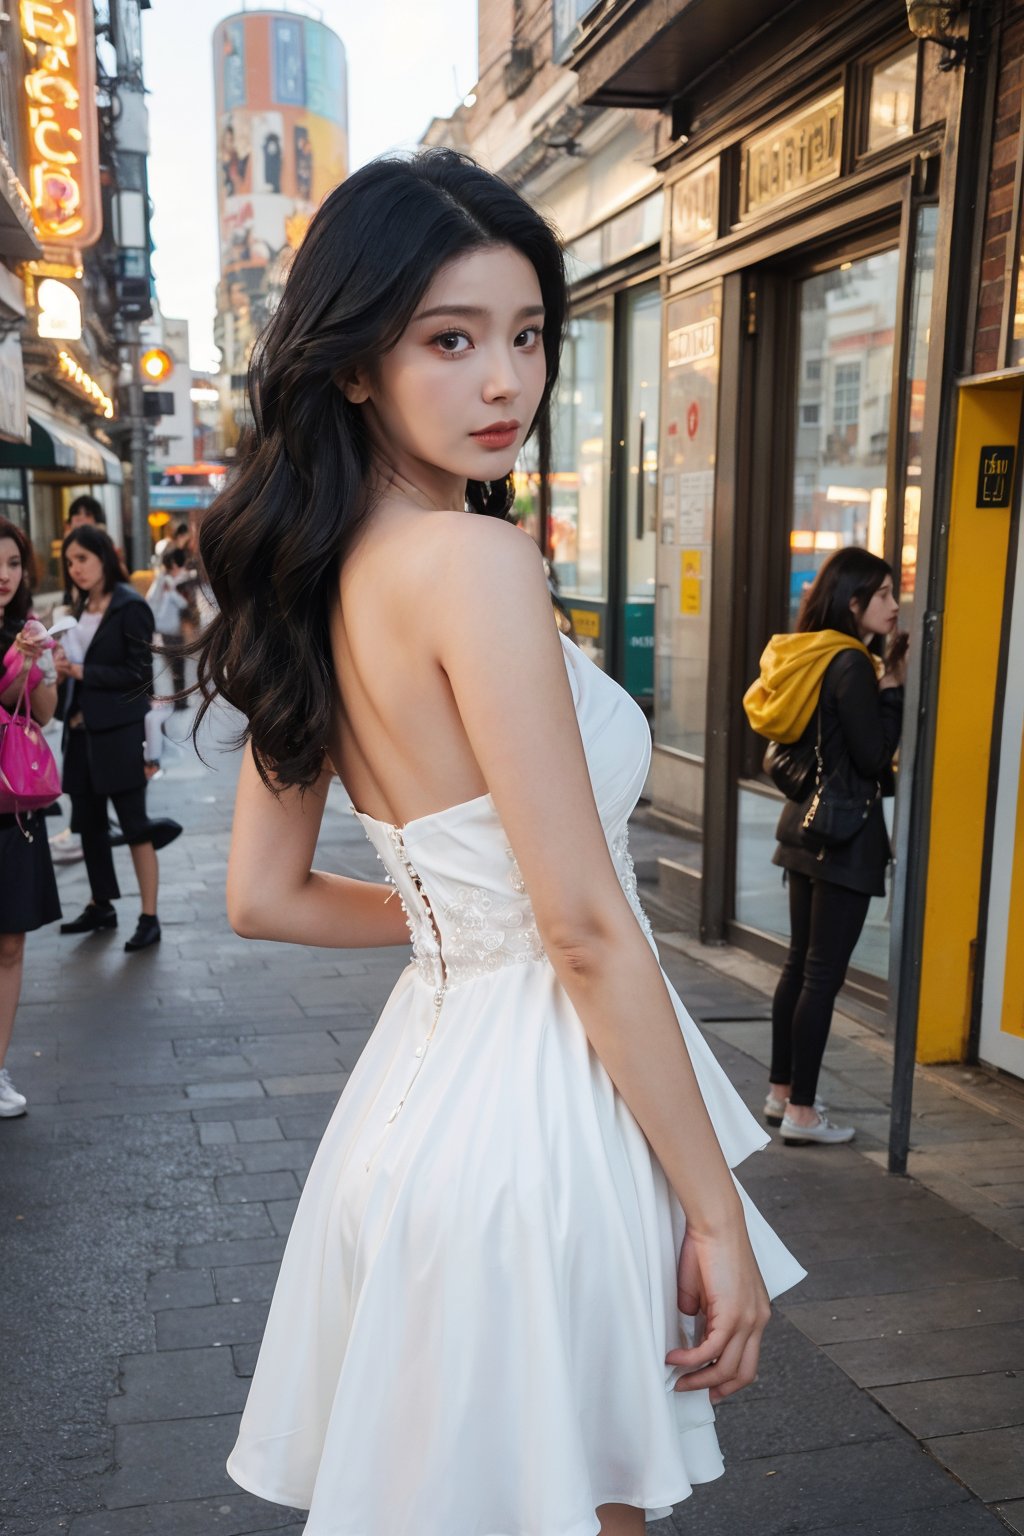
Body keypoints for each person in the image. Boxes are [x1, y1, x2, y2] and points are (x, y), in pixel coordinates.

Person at [193, 149, 803, 1536]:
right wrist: (716, 1212)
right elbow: (584, 925)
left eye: (526, 337)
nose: (503, 384)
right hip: (541, 1131)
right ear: (353, 363)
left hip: (416, 1113)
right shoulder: (474, 563)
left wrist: (459, 921)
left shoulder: (316, 576)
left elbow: (262, 898)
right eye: (449, 340)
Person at [744, 547, 906, 1147]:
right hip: (845, 838)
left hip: (803, 829)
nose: (894, 605)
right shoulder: (852, 665)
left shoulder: (807, 656)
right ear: (855, 602)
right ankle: (803, 1114)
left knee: (799, 968)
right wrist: (891, 687)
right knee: (821, 976)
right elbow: (869, 757)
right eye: (884, 595)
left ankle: (782, 1091)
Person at [55, 525, 178, 952]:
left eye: (82, 559)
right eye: (70, 562)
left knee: (134, 826)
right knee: (88, 825)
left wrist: (83, 672)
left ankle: (150, 917)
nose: (76, 569)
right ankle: (101, 904)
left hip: (119, 736)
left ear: (103, 557)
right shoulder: (75, 608)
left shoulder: (129, 607)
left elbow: (139, 676)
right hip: (80, 735)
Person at [0, 517, 61, 1117]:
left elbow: (44, 712)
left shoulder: (29, 629)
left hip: (13, 805)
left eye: (14, 563)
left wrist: (34, 662)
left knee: (10, 943)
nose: (4, 573)